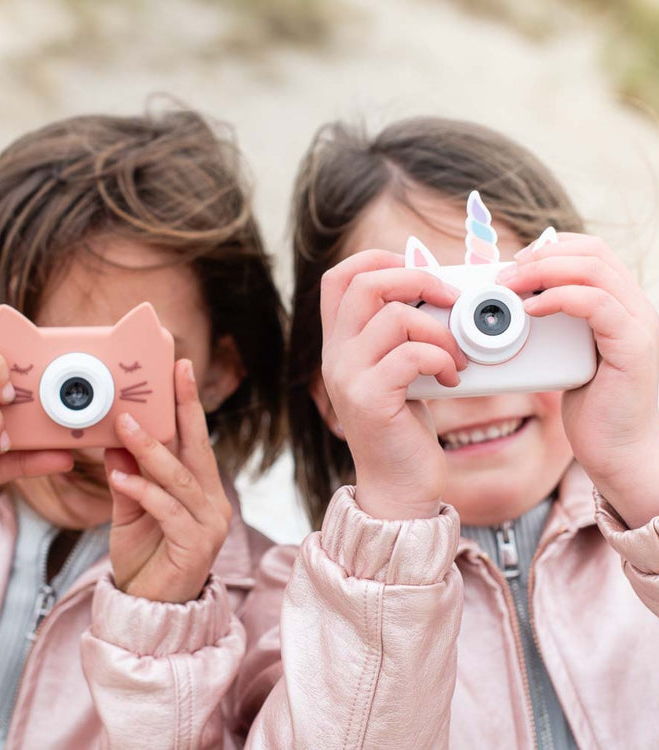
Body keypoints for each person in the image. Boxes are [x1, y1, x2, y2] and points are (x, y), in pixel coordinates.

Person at [241, 117, 659, 748]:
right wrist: (390, 528)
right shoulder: (292, 608)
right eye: (415, 326)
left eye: (506, 312)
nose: (472, 372)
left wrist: (639, 468)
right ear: (331, 391)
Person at [0, 108, 286, 749]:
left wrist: (167, 627)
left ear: (224, 367)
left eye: (124, 367)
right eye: (49, 366)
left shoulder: (269, 612)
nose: (83, 415)